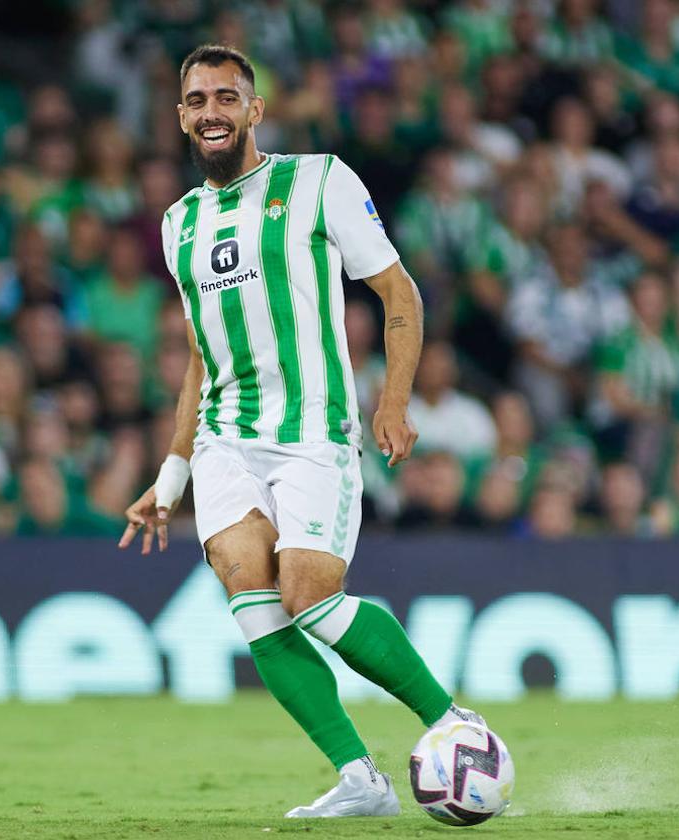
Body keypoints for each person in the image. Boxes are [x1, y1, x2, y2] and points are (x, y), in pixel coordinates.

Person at [117, 45, 480, 819]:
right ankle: (360, 778)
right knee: (251, 595)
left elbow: (399, 292)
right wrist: (172, 474)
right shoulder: (177, 222)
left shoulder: (319, 179)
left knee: (308, 591)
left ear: (254, 110)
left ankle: (450, 722)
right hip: (223, 438)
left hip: (314, 431)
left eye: (225, 97)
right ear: (181, 116)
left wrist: (394, 401)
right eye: (195, 100)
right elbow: (199, 355)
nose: (210, 111)